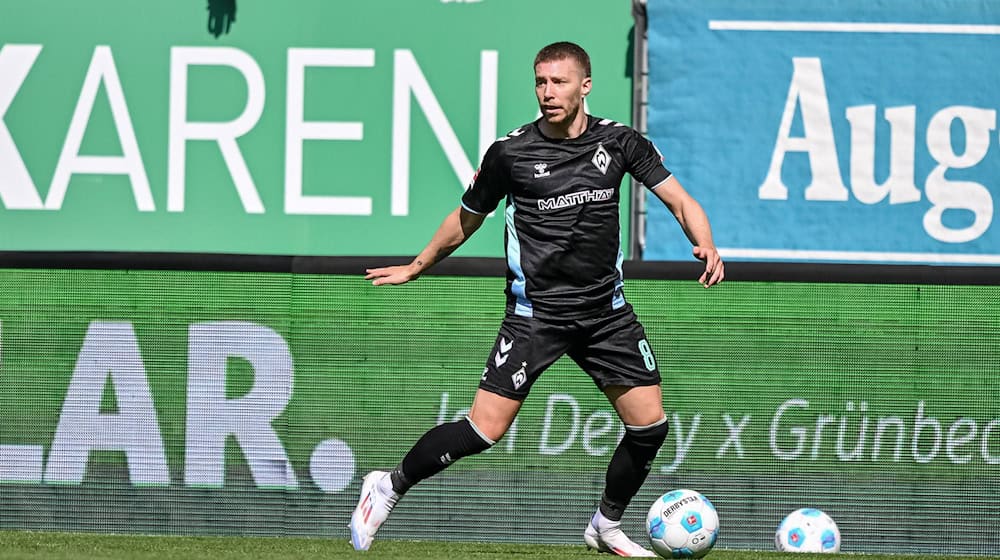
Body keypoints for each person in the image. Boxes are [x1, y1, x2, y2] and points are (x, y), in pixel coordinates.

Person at [351, 41, 724, 557]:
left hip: (605, 314)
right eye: (540, 82)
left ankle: (605, 525)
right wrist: (417, 266)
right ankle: (387, 486)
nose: (547, 93)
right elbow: (465, 220)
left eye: (559, 82)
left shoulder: (620, 142)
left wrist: (703, 242)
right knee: (484, 431)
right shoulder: (511, 153)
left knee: (649, 426)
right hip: (536, 317)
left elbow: (682, 201)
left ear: (585, 85)